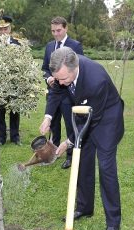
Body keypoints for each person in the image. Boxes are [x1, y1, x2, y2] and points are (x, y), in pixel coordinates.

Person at [39, 47, 124, 230]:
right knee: (83, 163)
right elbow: (56, 92)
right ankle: (84, 207)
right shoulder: (63, 73)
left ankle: (113, 223)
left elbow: (91, 119)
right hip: (84, 115)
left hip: (106, 121)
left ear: (74, 67)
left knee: (106, 169)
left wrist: (69, 141)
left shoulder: (97, 80)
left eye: (63, 79)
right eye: (57, 79)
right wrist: (48, 117)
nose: (60, 83)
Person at [41, 16, 84, 169]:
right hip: (53, 92)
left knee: (70, 125)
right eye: (53, 31)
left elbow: (78, 71)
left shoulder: (75, 46)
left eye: (59, 30)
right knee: (53, 125)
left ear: (65, 28)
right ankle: (53, 151)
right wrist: (49, 79)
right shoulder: (49, 46)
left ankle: (70, 156)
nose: (56, 34)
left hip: (68, 96)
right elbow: (45, 68)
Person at [0, 14, 21, 146]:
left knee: (15, 110)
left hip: (14, 82)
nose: (3, 31)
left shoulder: (18, 44)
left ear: (10, 29)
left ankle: (15, 137)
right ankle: (1, 138)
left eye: (6, 29)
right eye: (0, 29)